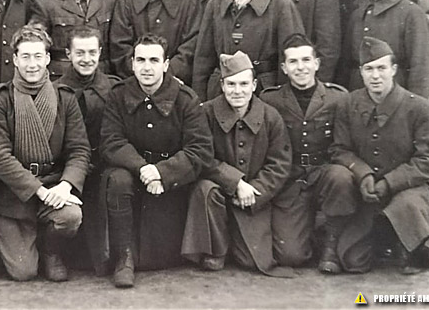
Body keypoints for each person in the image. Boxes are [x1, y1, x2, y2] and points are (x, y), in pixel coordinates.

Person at [100, 34, 213, 287]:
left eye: (154, 60)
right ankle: (123, 258)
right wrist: (143, 169)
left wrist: (163, 172)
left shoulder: (186, 99)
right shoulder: (118, 95)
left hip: (170, 184)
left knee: (162, 258)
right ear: (132, 64)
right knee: (117, 179)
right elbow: (111, 141)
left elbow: (200, 150)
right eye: (140, 60)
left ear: (166, 64)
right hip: (133, 176)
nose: (147, 67)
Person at [0, 25, 91, 282]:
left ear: (48, 59)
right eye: (26, 57)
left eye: (38, 56)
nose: (32, 64)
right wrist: (39, 191)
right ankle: (19, 238)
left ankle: (52, 251)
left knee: (70, 216)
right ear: (15, 60)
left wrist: (65, 186)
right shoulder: (0, 99)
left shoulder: (64, 98)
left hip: (53, 185)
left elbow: (79, 149)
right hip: (12, 195)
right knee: (24, 272)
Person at [331, 37, 429, 274]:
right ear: (361, 72)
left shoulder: (420, 108)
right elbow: (340, 149)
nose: (375, 76)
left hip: (408, 189)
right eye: (369, 69)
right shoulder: (348, 104)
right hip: (367, 190)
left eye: (382, 68)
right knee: (353, 261)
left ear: (393, 69)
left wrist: (391, 182)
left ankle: (412, 246)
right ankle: (382, 239)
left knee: (407, 205)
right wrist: (363, 174)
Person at [182, 51, 291, 276]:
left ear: (254, 85)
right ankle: (215, 250)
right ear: (222, 85)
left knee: (252, 260)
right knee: (205, 189)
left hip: (254, 198)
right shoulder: (205, 113)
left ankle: (236, 243)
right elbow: (201, 156)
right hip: (217, 196)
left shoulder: (271, 117)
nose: (237, 91)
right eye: (231, 84)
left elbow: (279, 163)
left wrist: (255, 190)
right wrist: (235, 182)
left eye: (244, 84)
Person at [260, 34, 355, 273]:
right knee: (290, 255)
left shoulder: (338, 98)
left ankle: (331, 245)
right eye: (293, 62)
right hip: (291, 179)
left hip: (324, 174)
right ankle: (311, 234)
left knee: (341, 177)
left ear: (317, 63)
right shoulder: (270, 99)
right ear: (284, 68)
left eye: (305, 60)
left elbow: (346, 144)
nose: (300, 67)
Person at [192, 0, 304, 101]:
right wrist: (200, 101)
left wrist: (282, 101)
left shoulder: (281, 5)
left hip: (265, 94)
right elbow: (203, 59)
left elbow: (290, 59)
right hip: (221, 93)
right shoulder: (216, 4)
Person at [55, 26, 121, 274]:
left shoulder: (114, 88)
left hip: (104, 165)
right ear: (68, 54)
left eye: (92, 52)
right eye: (79, 52)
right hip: (67, 168)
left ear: (100, 53)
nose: (86, 59)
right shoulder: (55, 90)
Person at [340, 0, 429, 97]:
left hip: (396, 99)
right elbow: (346, 65)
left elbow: (421, 68)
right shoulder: (358, 14)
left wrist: (414, 106)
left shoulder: (412, 14)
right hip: (359, 99)